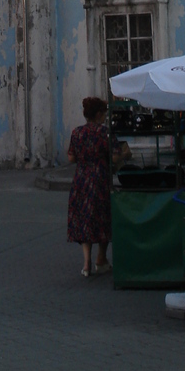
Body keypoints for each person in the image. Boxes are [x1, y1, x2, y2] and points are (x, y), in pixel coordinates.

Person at [67, 96, 128, 277]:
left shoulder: (77, 133)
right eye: (104, 114)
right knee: (102, 218)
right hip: (100, 178)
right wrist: (124, 156)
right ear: (99, 114)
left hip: (81, 179)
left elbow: (71, 157)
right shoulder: (105, 133)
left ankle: (86, 263)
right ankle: (101, 259)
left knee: (85, 219)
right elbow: (116, 157)